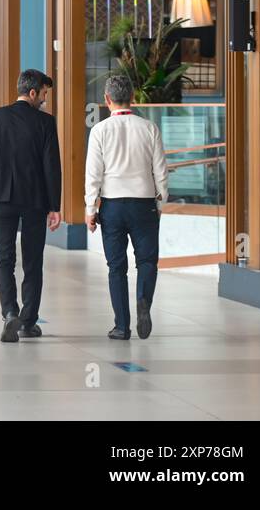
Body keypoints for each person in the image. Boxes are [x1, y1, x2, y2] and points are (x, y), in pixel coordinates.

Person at [0, 69, 62, 343]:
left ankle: (9, 312)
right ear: (33, 92)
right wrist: (54, 205)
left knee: (4, 258)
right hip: (34, 201)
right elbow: (52, 167)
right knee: (33, 261)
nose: (45, 100)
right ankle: (28, 322)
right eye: (45, 94)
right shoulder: (45, 123)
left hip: (1, 199)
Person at [85, 73, 168, 341]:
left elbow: (93, 174)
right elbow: (161, 173)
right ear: (132, 97)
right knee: (147, 261)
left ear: (106, 99)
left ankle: (122, 326)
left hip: (112, 206)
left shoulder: (99, 131)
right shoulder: (149, 128)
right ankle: (144, 301)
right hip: (144, 205)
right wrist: (160, 203)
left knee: (116, 267)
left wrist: (90, 209)